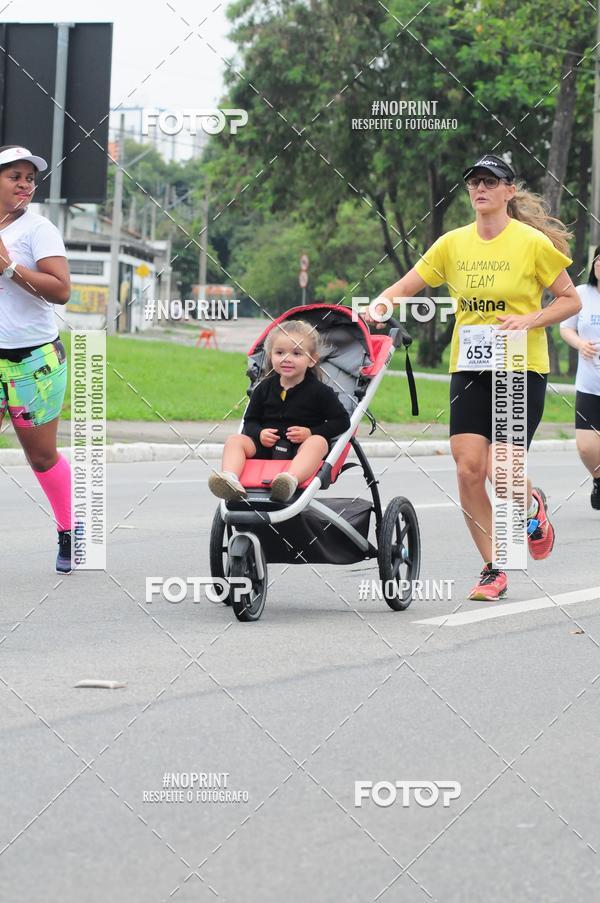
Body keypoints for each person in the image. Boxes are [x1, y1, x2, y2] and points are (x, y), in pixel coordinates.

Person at [366, 153, 580, 601]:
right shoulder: (453, 244)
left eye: (490, 181)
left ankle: (532, 505)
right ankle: (493, 567)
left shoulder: (532, 243)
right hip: (470, 365)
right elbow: (405, 286)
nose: (479, 188)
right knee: (468, 470)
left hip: (520, 366)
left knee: (502, 474)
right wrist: (377, 307)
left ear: (509, 190)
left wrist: (531, 320)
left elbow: (570, 300)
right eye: (473, 182)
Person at [0, 145, 72, 572]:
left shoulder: (37, 230)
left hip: (33, 362)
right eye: (15, 176)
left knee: (41, 456)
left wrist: (10, 269)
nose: (25, 184)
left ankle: (68, 530)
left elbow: (61, 290)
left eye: (30, 178)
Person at [208, 319, 350, 502]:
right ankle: (230, 479)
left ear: (312, 359)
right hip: (264, 447)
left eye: (297, 353)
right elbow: (250, 421)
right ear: (270, 355)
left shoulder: (320, 392)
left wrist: (311, 432)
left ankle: (289, 480)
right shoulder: (263, 388)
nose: (286, 358)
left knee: (318, 443)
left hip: (299, 450)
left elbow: (341, 421)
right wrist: (259, 434)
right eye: (280, 352)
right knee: (235, 440)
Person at [560, 247, 600, 509]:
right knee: (586, 446)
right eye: (598, 261)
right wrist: (580, 343)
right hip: (589, 384)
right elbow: (566, 328)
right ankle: (599, 478)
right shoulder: (582, 295)